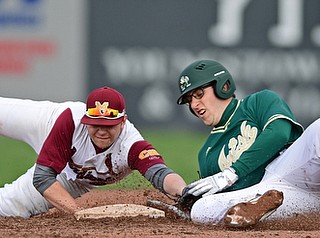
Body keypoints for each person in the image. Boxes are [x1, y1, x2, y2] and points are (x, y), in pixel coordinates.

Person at [0, 86, 187, 218]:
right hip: (48, 124)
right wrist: (78, 212)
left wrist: (184, 192)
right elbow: (43, 176)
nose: (102, 131)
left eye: (109, 125)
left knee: (8, 207)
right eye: (96, 124)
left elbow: (160, 173)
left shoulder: (131, 145)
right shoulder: (71, 120)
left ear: (123, 122)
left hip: (72, 178)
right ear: (85, 119)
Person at [176, 59, 320, 227]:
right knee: (202, 209)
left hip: (292, 167)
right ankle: (255, 211)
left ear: (223, 86)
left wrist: (232, 172)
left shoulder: (258, 102)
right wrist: (189, 205)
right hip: (274, 196)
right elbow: (223, 197)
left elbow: (279, 132)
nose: (194, 104)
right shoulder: (207, 154)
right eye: (189, 100)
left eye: (199, 94)